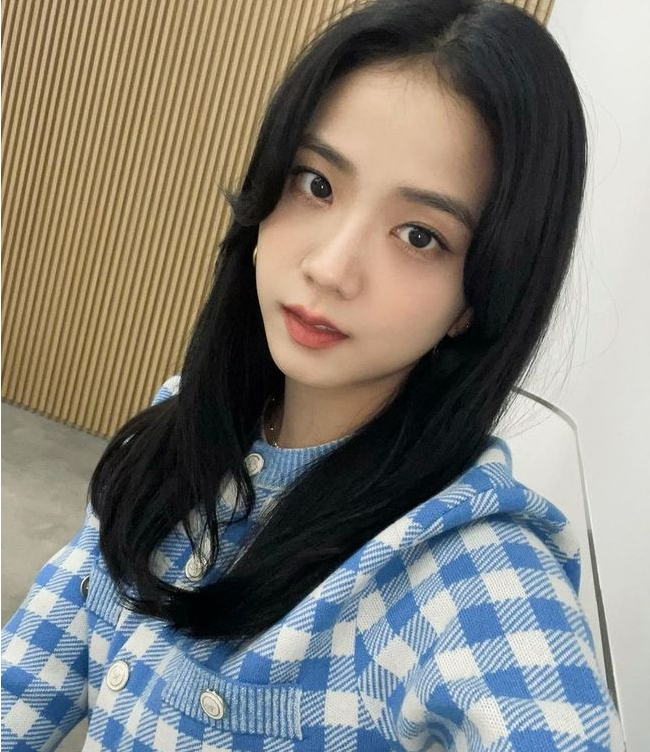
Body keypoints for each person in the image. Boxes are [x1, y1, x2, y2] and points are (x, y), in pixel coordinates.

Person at [1, 0, 625, 750]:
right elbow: (25, 678)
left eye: (419, 235)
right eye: (316, 184)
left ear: (480, 295)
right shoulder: (178, 432)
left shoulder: (468, 573)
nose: (330, 267)